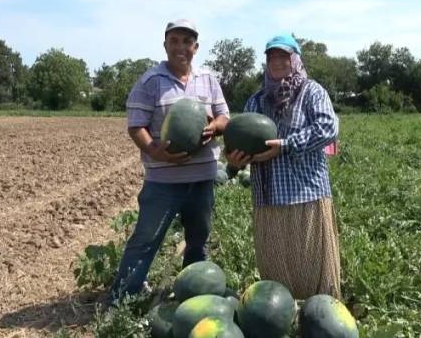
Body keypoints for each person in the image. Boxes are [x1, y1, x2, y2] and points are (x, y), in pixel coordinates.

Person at [109, 19, 230, 302]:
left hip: (202, 179)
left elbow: (225, 116)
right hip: (163, 180)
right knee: (145, 240)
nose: (181, 47)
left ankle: (194, 293)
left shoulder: (208, 80)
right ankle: (123, 297)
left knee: (198, 240)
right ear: (165, 44)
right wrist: (155, 150)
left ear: (195, 47)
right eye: (174, 41)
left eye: (187, 42)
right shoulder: (150, 82)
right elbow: (135, 125)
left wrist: (216, 127)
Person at [226, 34, 341, 299]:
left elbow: (328, 128)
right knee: (276, 269)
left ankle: (318, 317)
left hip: (306, 195)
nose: (277, 62)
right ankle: (282, 317)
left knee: (313, 268)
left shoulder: (312, 91)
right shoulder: (256, 101)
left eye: (283, 56)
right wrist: (235, 161)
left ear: (295, 59)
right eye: (271, 57)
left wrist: (286, 145)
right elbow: (242, 138)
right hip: (268, 197)